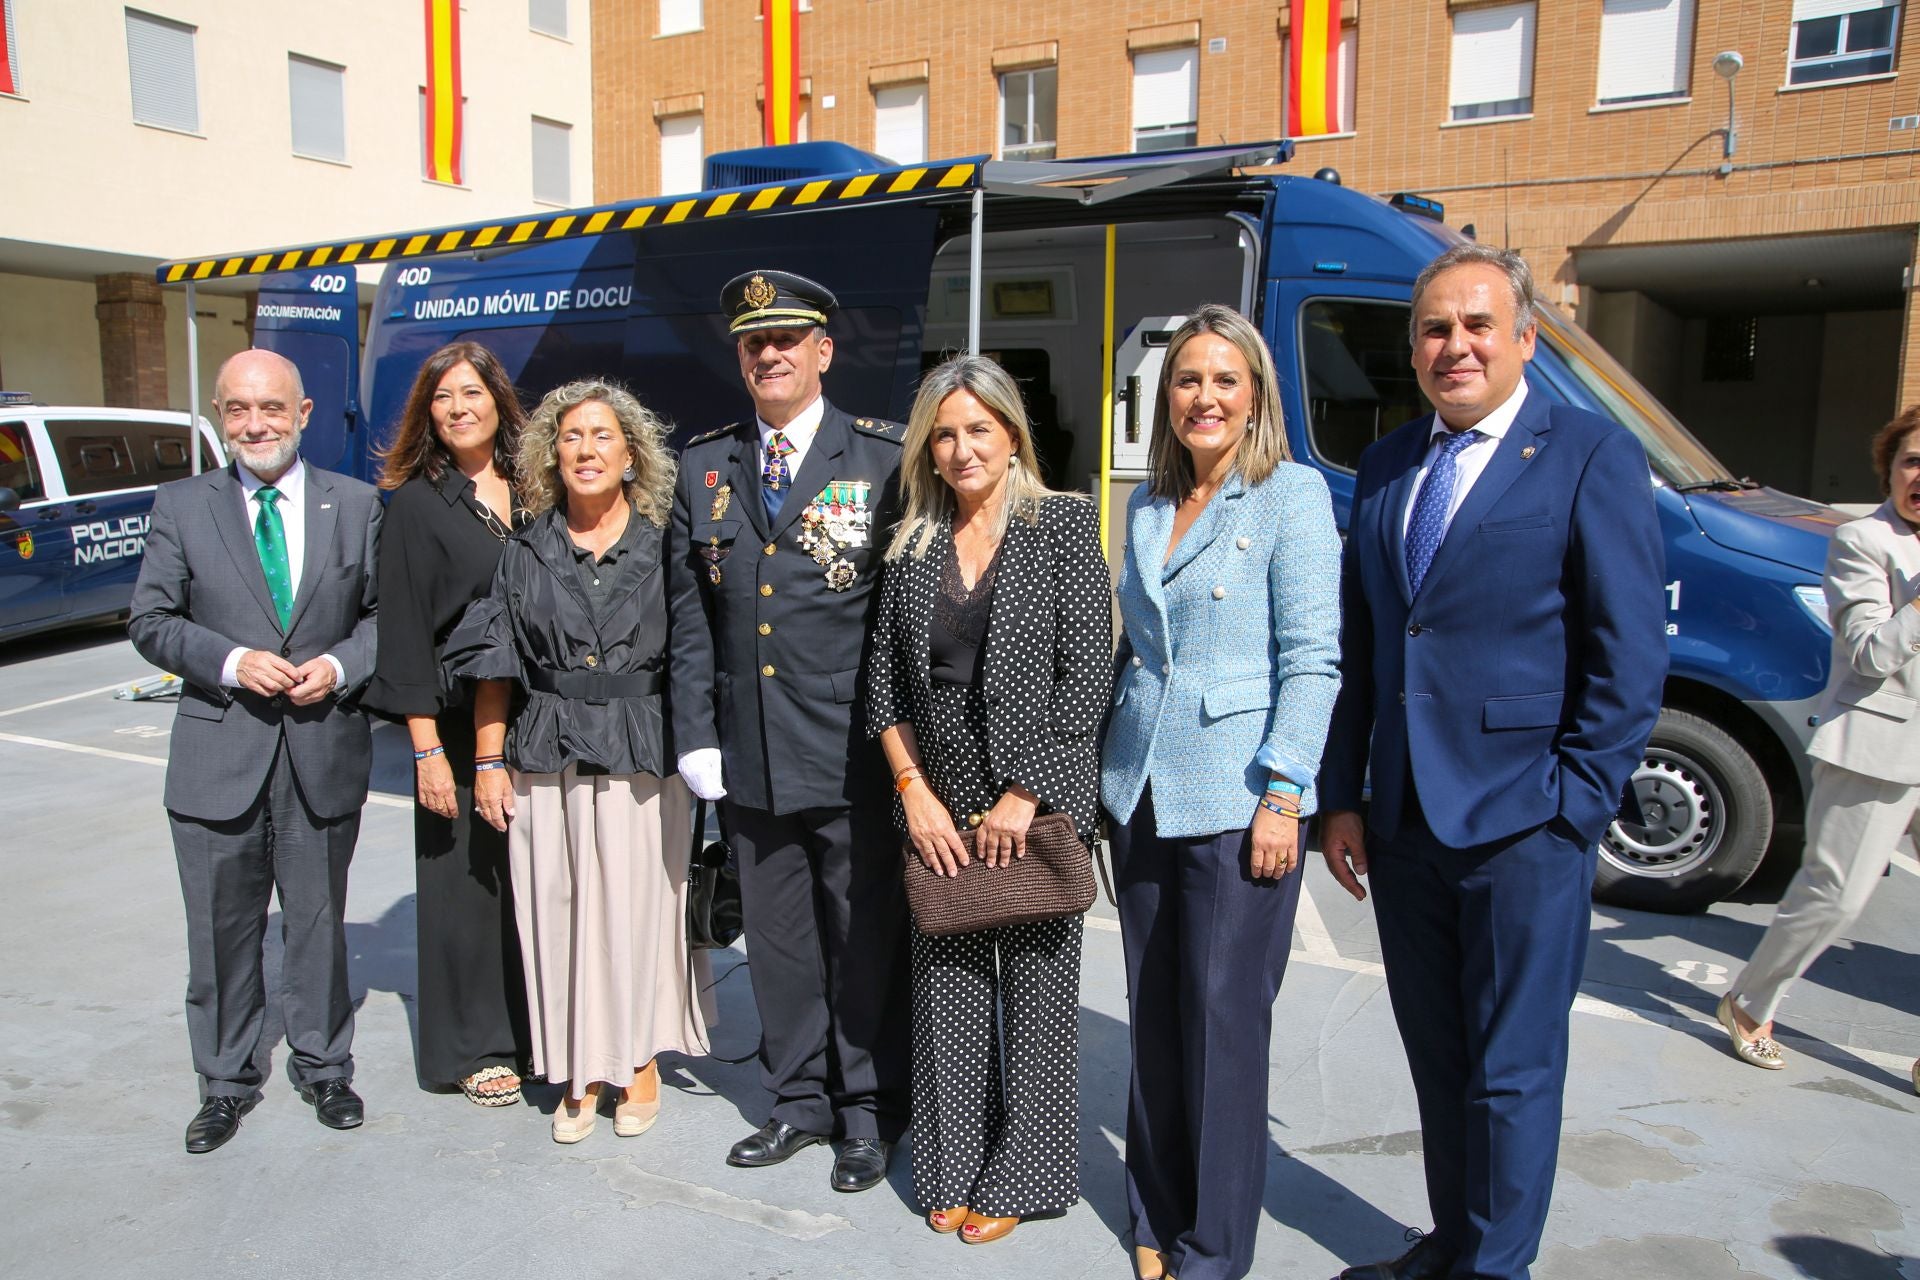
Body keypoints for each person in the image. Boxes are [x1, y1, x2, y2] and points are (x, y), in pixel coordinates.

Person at [1319, 243, 1667, 1280]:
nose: (1454, 344)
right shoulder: (1388, 464)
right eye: (1435, 328)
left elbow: (1629, 650)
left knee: (1512, 1067)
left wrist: (1577, 806)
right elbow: (1369, 645)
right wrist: (1344, 795)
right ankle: (1455, 1239)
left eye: (1477, 324)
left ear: (1523, 338)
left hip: (1526, 822)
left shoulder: (1590, 455)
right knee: (1440, 1057)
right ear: (1413, 348)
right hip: (1403, 821)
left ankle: (1495, 1266)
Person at [1100, 304, 1341, 1280]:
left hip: (1240, 798)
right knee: (1154, 1014)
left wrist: (1286, 791)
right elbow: (1137, 656)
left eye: (1223, 379)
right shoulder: (1148, 504)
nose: (1204, 396)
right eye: (1188, 380)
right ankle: (1155, 1212)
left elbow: (1313, 659)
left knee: (1224, 1025)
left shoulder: (1292, 496)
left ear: (1255, 397)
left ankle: (1215, 1247)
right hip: (1142, 791)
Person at [667, 268, 910, 1191]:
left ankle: (867, 1111)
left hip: (852, 754)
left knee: (862, 939)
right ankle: (797, 1102)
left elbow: (898, 619)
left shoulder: (881, 458)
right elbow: (693, 614)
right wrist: (698, 733)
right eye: (752, 344)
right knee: (775, 944)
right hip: (751, 756)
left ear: (822, 352)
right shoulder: (708, 465)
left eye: (786, 341)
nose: (769, 355)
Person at [866, 355, 1111, 1243]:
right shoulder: (910, 543)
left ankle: (1026, 1175)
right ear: (927, 450)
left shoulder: (1062, 526)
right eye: (944, 433)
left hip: (1035, 805)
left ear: (1013, 436)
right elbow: (882, 689)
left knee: (1041, 997)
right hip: (937, 802)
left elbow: (1088, 677)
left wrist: (1024, 794)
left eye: (979, 429)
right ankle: (953, 1164)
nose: (961, 448)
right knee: (949, 993)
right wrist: (913, 792)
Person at [129, 349, 383, 1154]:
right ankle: (225, 1081)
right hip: (216, 760)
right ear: (219, 416)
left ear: (303, 415)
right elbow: (152, 621)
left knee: (316, 924)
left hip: (320, 753)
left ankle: (324, 1066)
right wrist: (232, 662)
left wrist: (341, 665)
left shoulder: (357, 505)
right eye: (237, 409)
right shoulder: (181, 505)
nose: (255, 424)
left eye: (271, 408)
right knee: (221, 931)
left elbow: (382, 620)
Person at [450, 379, 710, 1144]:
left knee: (638, 916)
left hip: (642, 753)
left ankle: (637, 1064)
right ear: (550, 455)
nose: (587, 449)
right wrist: (488, 762)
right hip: (547, 752)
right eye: (571, 437)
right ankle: (577, 1069)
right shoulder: (525, 549)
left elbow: (697, 656)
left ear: (631, 454)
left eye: (603, 436)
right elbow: (497, 664)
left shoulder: (668, 546)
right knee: (556, 913)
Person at [1716, 407, 1920, 1097]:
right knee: (1836, 897)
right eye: (1912, 461)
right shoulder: (1865, 541)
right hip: (1878, 744)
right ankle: (1748, 1000)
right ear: (1889, 469)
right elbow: (1867, 654)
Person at [363, 341, 533, 1107]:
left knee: (529, 885)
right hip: (456, 726)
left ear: (499, 398)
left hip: (539, 718)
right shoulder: (414, 503)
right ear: (427, 413)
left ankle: (536, 1032)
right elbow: (400, 633)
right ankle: (473, 1046)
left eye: (471, 392)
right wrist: (426, 750)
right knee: (464, 889)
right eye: (442, 398)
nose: (459, 407)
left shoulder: (536, 487)